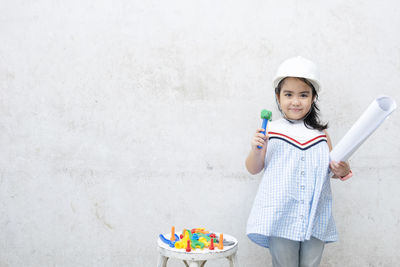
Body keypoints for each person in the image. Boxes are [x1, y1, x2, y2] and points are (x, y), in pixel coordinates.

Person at [245, 56, 352, 267]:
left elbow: (334, 170)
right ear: (278, 97)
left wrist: (343, 169)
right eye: (288, 94)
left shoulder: (321, 135)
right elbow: (253, 168)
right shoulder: (270, 131)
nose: (295, 101)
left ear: (313, 98)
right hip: (281, 213)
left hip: (315, 215)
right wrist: (256, 150)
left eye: (303, 95)